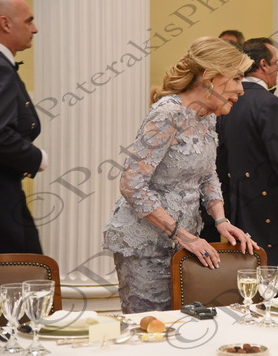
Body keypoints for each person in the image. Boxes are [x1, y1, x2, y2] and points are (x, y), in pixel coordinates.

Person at [103, 37, 257, 313]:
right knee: (152, 326)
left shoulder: (207, 117)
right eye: (236, 78)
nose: (241, 89)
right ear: (211, 77)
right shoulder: (168, 114)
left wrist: (221, 220)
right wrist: (182, 235)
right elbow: (132, 184)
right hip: (146, 245)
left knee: (183, 321)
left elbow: (208, 174)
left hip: (185, 241)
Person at [216, 37, 278, 292]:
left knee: (248, 271)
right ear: (263, 65)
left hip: (238, 205)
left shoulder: (229, 102)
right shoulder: (269, 103)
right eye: (276, 63)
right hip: (273, 207)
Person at [0, 0, 47, 254]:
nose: (34, 29)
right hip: (0, 198)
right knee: (24, 270)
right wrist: (36, 158)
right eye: (29, 21)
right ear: (5, 23)